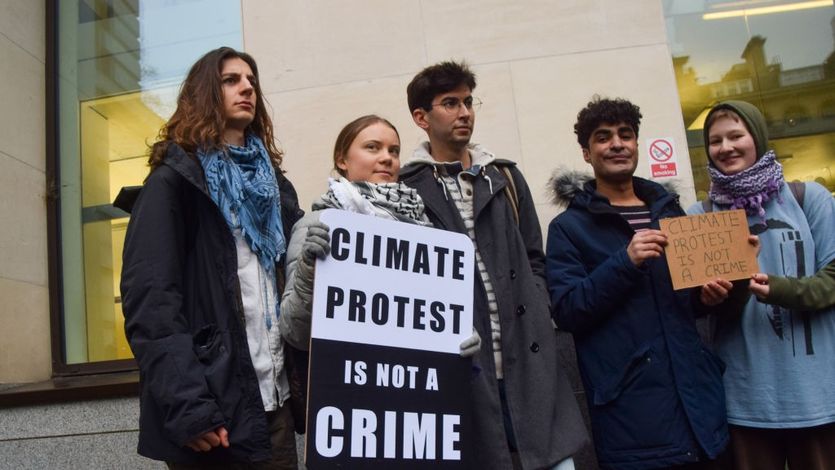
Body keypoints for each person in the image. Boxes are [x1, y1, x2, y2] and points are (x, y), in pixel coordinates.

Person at [119, 47, 303, 468]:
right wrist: (189, 408)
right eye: (231, 80)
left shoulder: (275, 188)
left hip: (275, 400)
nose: (247, 89)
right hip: (216, 413)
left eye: (252, 81)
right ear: (204, 93)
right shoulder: (175, 182)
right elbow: (151, 302)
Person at [399, 61, 587, 470]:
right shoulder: (406, 187)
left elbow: (535, 258)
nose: (465, 112)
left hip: (529, 360)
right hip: (462, 371)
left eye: (468, 101)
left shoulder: (503, 177)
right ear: (421, 117)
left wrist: (537, 308)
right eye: (450, 103)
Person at [545, 97, 729, 469]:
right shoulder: (568, 228)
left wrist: (706, 299)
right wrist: (625, 262)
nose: (616, 144)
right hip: (633, 419)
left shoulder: (670, 212)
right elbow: (566, 311)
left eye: (625, 135)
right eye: (603, 137)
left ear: (636, 144)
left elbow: (681, 302)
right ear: (586, 153)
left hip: (700, 409)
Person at [686, 100, 835, 470]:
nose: (726, 147)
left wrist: (781, 289)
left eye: (736, 135)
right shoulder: (700, 217)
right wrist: (719, 294)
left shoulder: (807, 198)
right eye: (716, 140)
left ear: (758, 137)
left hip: (816, 395)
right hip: (746, 400)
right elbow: (697, 307)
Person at [278, 114, 480, 358]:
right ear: (342, 159)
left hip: (416, 382)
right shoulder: (318, 226)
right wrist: (308, 272)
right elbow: (294, 332)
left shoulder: (424, 227)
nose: (387, 158)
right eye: (372, 148)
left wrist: (460, 334)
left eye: (394, 151)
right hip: (350, 382)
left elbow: (433, 314)